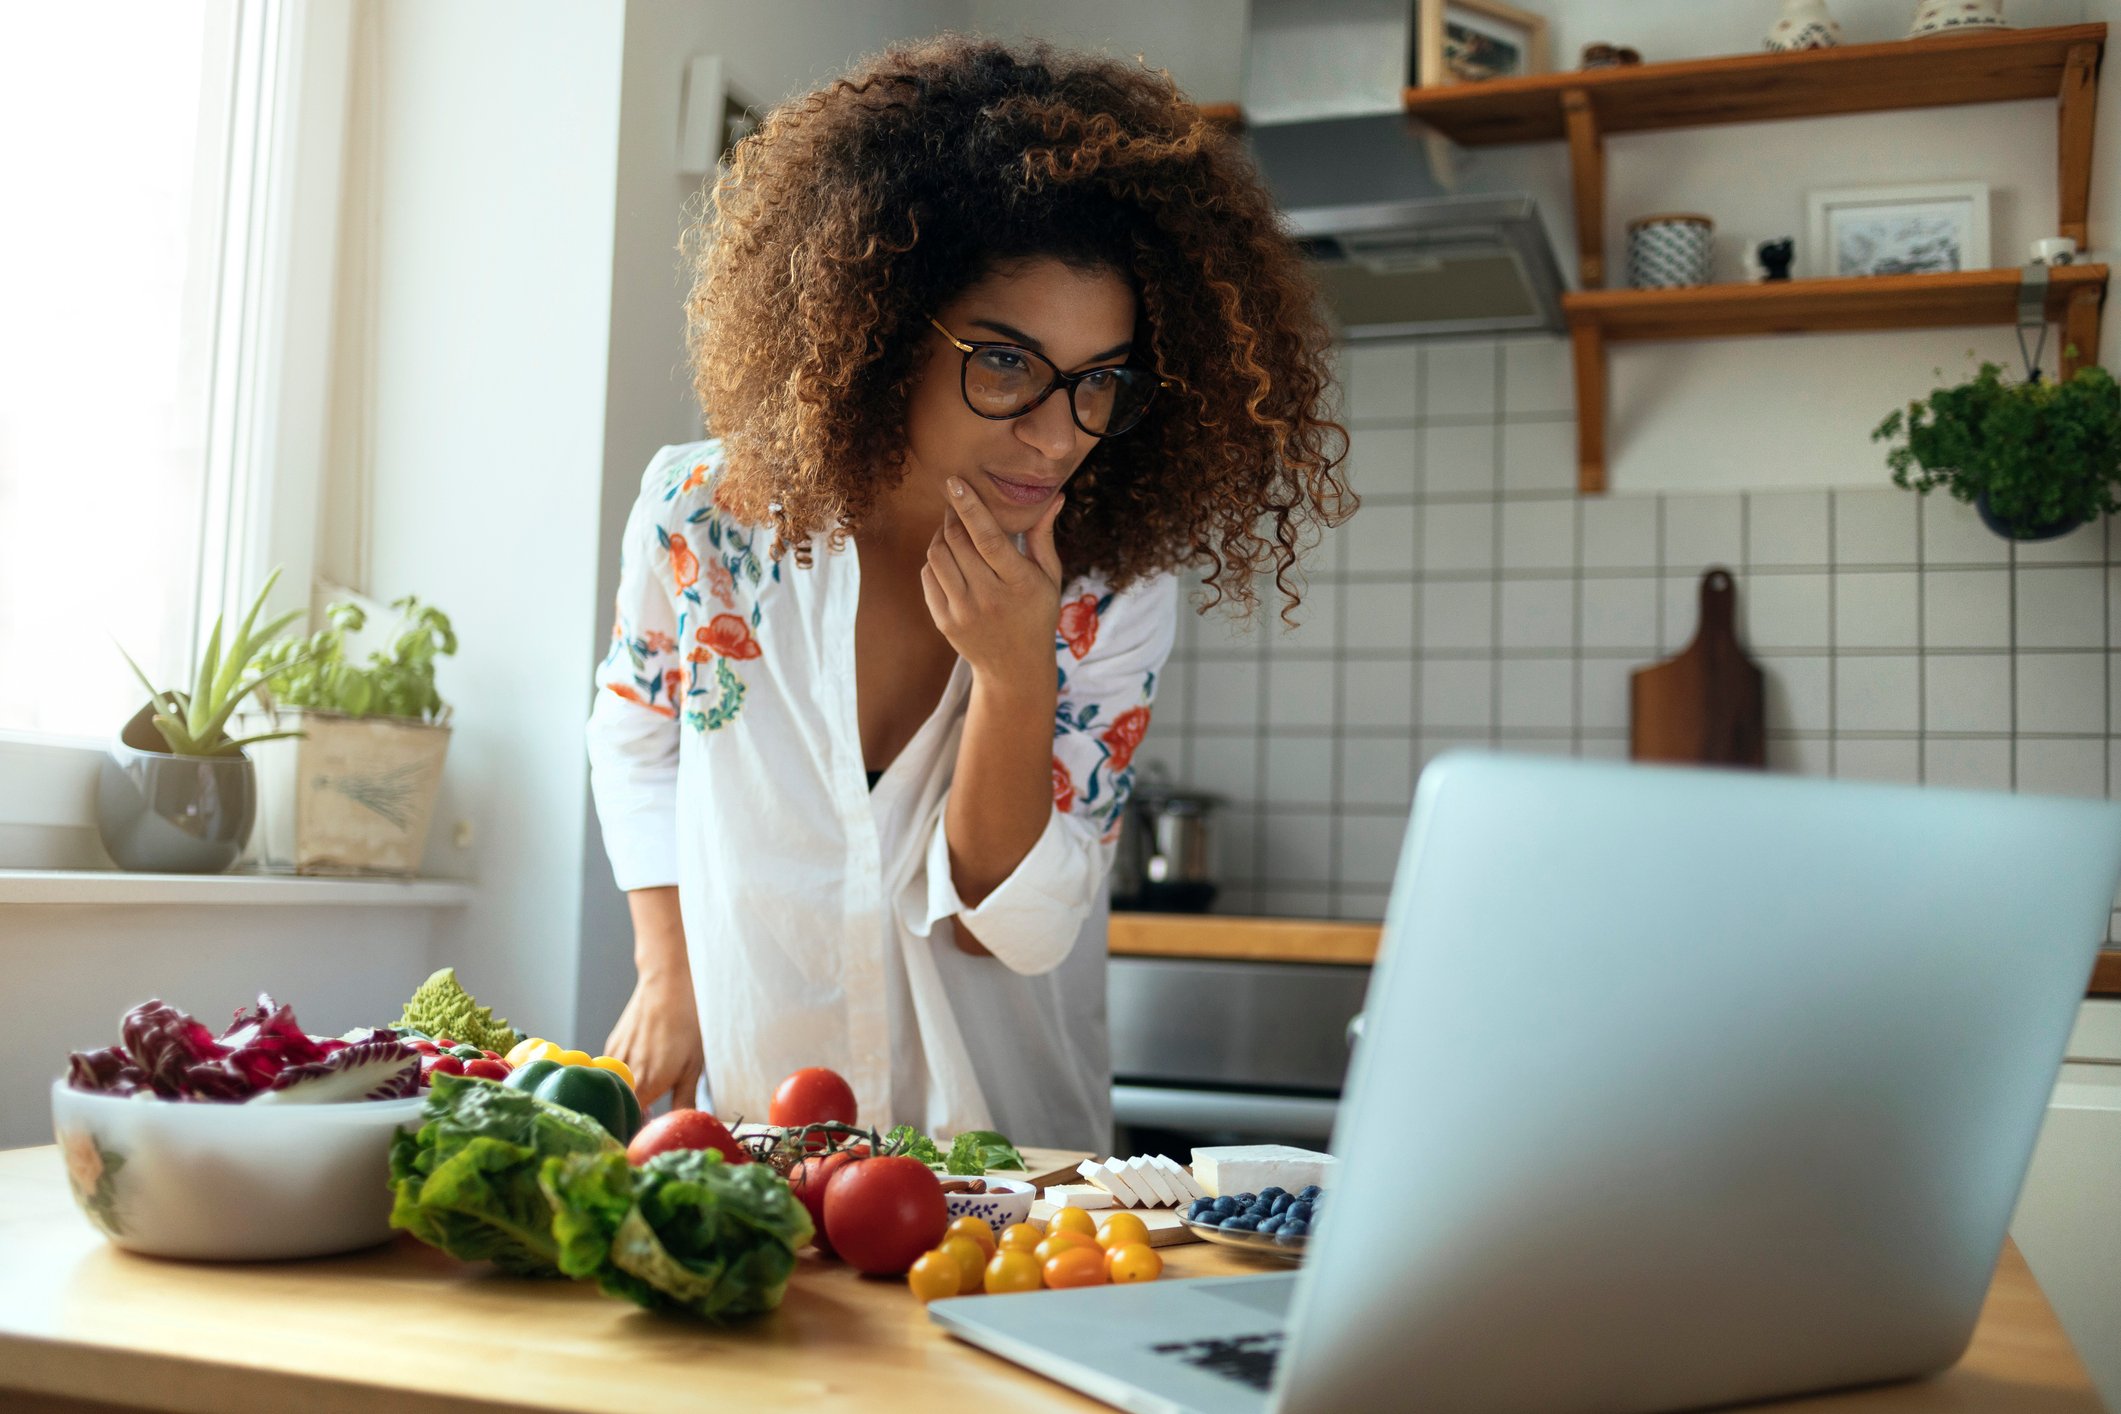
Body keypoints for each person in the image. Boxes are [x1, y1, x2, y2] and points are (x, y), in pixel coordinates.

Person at [586, 35, 1349, 1152]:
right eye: (1005, 363)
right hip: (761, 1143)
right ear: (886, 327)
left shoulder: (1110, 582)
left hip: (1014, 1178)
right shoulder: (703, 514)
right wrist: (670, 968)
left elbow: (1021, 930)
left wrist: (1013, 667)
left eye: (1100, 382)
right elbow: (638, 729)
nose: (1056, 432)